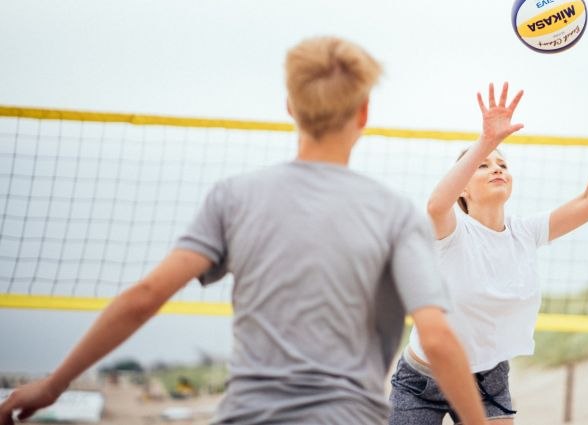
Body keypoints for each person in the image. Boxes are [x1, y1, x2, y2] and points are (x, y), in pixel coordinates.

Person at [0, 36, 488, 425]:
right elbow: (438, 340)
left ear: (290, 107)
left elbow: (144, 296)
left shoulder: (234, 196)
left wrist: (54, 384)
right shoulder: (394, 213)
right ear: (364, 113)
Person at [389, 82, 588, 424]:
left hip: (487, 378)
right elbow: (435, 203)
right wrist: (487, 140)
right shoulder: (451, 231)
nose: (498, 168)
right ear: (464, 190)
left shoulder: (525, 232)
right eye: (484, 166)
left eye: (502, 164)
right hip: (422, 380)